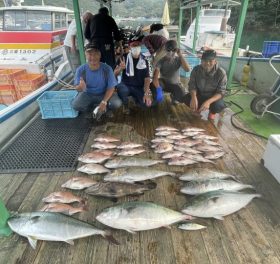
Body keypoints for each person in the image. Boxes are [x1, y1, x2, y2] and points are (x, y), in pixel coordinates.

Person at [72, 43, 122, 119]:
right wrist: (80, 88)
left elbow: (111, 88)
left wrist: (104, 101)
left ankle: (106, 109)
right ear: (86, 55)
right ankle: (91, 110)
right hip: (88, 94)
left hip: (104, 93)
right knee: (75, 105)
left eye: (96, 54)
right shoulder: (80, 70)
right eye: (90, 54)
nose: (93, 57)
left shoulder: (107, 69)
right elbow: (77, 87)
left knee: (117, 103)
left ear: (100, 55)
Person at [114, 39, 155, 114]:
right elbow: (114, 74)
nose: (136, 47)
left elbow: (147, 78)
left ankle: (136, 99)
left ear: (140, 47)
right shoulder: (123, 58)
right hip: (125, 84)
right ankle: (125, 105)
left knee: (146, 105)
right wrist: (120, 68)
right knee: (123, 91)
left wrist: (146, 93)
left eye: (138, 45)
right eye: (133, 45)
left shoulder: (145, 60)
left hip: (138, 86)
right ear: (130, 47)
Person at [186, 49, 227, 120]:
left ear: (215, 61)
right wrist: (193, 97)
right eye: (205, 60)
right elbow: (192, 85)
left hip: (212, 97)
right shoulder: (196, 70)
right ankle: (197, 108)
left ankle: (212, 113)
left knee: (218, 106)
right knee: (186, 98)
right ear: (201, 61)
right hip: (200, 94)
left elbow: (221, 92)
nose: (207, 63)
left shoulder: (221, 73)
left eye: (210, 61)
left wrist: (208, 102)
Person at [150, 39, 191, 104]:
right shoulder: (161, 61)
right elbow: (155, 77)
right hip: (163, 83)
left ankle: (174, 97)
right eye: (168, 50)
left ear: (176, 51)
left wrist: (180, 55)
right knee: (153, 85)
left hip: (175, 84)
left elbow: (187, 69)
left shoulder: (178, 60)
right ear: (165, 50)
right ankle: (156, 100)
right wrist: (158, 89)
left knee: (183, 97)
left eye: (173, 50)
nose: (171, 52)